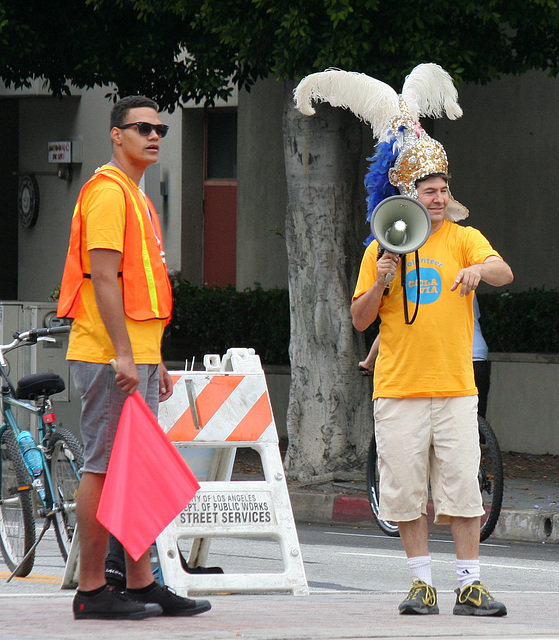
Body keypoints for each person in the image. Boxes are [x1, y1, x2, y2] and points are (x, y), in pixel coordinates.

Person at [294, 63, 513, 617]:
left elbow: (504, 271)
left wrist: (477, 272)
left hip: (455, 388)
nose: (437, 199)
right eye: (429, 190)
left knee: (465, 492)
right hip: (398, 389)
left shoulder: (464, 238)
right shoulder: (379, 249)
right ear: (408, 193)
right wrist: (384, 280)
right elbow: (361, 318)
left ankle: (469, 584)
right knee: (405, 494)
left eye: (443, 190)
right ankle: (421, 584)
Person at [57, 95, 211, 620]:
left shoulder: (137, 197)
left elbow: (139, 287)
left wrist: (153, 357)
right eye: (142, 127)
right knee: (102, 468)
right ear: (115, 135)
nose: (154, 136)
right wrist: (125, 353)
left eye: (161, 129)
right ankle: (93, 589)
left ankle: (143, 582)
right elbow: (102, 277)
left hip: (136, 356)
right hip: (108, 356)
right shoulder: (107, 193)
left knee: (136, 470)